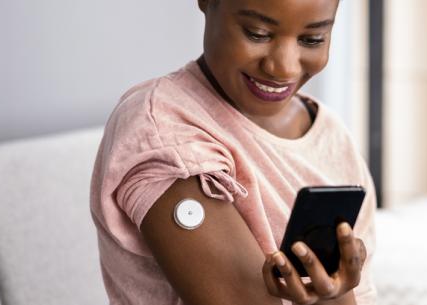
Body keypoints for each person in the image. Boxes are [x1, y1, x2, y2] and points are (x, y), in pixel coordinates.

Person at [90, 0, 377, 304]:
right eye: (257, 33)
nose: (284, 66)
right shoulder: (165, 131)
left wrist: (336, 291)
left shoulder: (331, 134)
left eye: (312, 39)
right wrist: (334, 297)